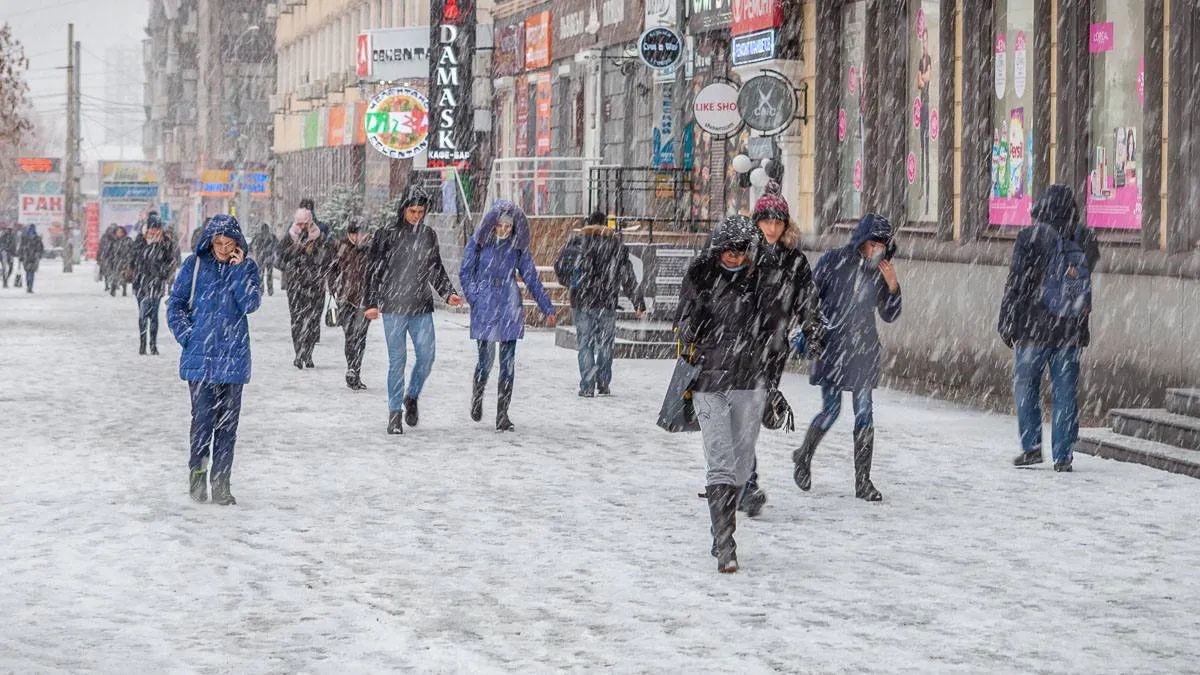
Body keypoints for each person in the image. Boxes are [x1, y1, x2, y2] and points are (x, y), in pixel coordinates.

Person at [676, 215, 775, 573]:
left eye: (740, 253)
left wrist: (772, 383)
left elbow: (772, 336)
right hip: (709, 382)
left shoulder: (761, 283)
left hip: (749, 383)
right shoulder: (701, 278)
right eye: (728, 253)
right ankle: (724, 543)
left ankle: (725, 528)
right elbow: (683, 325)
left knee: (742, 465)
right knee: (719, 459)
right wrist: (694, 322)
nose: (734, 259)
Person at [792, 213, 902, 502]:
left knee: (864, 412)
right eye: (873, 242)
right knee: (831, 410)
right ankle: (803, 456)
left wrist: (893, 286)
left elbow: (890, 315)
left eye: (882, 243)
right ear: (862, 241)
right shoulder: (833, 261)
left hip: (863, 351)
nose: (877, 248)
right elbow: (811, 298)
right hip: (833, 348)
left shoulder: (881, 271)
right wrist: (812, 330)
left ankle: (863, 481)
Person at [998, 184, 1100, 472]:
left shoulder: (1029, 237)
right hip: (1069, 329)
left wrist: (1007, 318)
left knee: (1026, 387)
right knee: (1065, 393)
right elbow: (1082, 282)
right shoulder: (1084, 238)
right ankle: (1063, 455)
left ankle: (1031, 446)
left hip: (1033, 327)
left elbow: (1016, 282)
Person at [739, 183, 824, 518]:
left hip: (773, 350)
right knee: (744, 416)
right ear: (757, 221)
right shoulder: (743, 253)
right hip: (740, 347)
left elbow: (807, 301)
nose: (772, 228)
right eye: (766, 221)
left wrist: (813, 334)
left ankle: (738, 476)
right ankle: (747, 484)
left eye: (778, 222)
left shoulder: (795, 261)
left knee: (754, 417)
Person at [165, 214, 262, 506]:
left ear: (237, 243)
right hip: (201, 359)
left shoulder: (246, 267)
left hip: (233, 359)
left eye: (228, 243)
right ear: (210, 242)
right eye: (218, 243)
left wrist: (238, 270)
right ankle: (197, 474)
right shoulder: (193, 266)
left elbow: (250, 304)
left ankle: (222, 483)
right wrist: (188, 336)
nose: (222, 248)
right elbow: (176, 306)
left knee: (228, 427)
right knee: (203, 421)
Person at [363, 187, 463, 435]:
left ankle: (412, 396)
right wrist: (371, 302)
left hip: (420, 306)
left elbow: (436, 268)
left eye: (421, 211)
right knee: (397, 361)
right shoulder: (386, 235)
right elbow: (372, 270)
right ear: (403, 209)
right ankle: (394, 413)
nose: (417, 216)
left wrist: (447, 292)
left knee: (427, 357)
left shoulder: (428, 235)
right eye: (412, 211)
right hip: (394, 307)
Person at [460, 200, 557, 432]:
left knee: (508, 363)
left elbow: (531, 277)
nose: (504, 230)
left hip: (509, 302)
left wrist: (547, 307)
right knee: (485, 361)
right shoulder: (478, 243)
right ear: (492, 225)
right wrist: (475, 298)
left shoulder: (517, 247)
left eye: (508, 226)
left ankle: (502, 414)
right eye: (500, 225)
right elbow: (465, 272)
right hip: (485, 303)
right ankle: (478, 393)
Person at [553, 210, 646, 397]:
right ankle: (603, 383)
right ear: (605, 224)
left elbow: (560, 267)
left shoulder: (578, 243)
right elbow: (627, 276)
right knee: (605, 344)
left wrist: (572, 284)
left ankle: (587, 386)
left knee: (585, 344)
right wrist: (638, 303)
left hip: (582, 301)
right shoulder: (615, 245)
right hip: (606, 302)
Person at [277, 207, 333, 370]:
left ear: (310, 222)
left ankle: (308, 354)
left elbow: (328, 260)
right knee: (297, 321)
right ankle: (298, 354)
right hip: (295, 286)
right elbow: (278, 259)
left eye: (305, 224)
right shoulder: (289, 237)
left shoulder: (319, 238)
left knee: (313, 321)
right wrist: (295, 251)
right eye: (299, 224)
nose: (302, 227)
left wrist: (314, 255)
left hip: (315, 285)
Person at [328, 219, 373, 390]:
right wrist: (334, 287)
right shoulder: (341, 247)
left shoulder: (369, 250)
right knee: (350, 335)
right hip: (345, 299)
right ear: (348, 234)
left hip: (364, 300)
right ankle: (351, 368)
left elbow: (376, 273)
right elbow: (331, 269)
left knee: (360, 337)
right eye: (354, 233)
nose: (357, 237)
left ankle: (355, 371)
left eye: (360, 233)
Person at [129, 216, 177, 355]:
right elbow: (133, 259)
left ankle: (153, 345)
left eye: (157, 228)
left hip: (157, 283)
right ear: (148, 228)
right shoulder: (140, 241)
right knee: (143, 314)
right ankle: (143, 344)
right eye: (152, 228)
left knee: (154, 315)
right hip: (141, 283)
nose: (155, 231)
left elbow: (171, 262)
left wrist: (164, 274)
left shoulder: (165, 243)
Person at [250, 222, 278, 296]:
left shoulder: (258, 236)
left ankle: (261, 289)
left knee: (260, 275)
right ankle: (270, 290)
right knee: (269, 275)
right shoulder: (272, 236)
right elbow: (278, 246)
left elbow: (250, 246)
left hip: (261, 258)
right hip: (269, 258)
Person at [107, 226, 134, 297]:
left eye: (121, 232)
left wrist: (130, 260)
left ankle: (124, 289)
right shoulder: (114, 241)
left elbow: (132, 250)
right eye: (118, 232)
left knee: (124, 276)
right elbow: (110, 252)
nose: (120, 233)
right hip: (116, 261)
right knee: (115, 276)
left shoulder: (128, 240)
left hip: (126, 261)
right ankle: (113, 288)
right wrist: (110, 259)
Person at [18, 225, 44, 294]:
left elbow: (21, 248)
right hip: (31, 257)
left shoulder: (25, 238)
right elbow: (41, 248)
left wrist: (20, 256)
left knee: (29, 272)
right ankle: (29, 286)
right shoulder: (36, 238)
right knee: (31, 272)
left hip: (28, 257)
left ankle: (29, 286)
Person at [0, 224, 16, 288]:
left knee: (11, 268)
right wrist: (4, 248)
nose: (9, 231)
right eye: (8, 229)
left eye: (10, 229)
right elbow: (1, 244)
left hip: (10, 254)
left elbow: (14, 245)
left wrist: (14, 252)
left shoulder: (12, 237)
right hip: (4, 253)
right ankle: (5, 282)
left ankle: (6, 279)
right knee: (4, 268)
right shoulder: (3, 236)